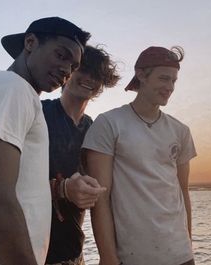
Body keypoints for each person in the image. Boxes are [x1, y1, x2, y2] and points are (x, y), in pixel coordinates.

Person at [82, 46, 197, 265]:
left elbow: (183, 192)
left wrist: (188, 247)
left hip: (180, 255)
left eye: (173, 81)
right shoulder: (109, 124)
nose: (170, 87)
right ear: (141, 75)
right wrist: (108, 258)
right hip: (133, 257)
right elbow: (101, 198)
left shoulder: (180, 131)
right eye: (164, 78)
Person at [0, 17, 90, 265]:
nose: (67, 71)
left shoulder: (10, 90)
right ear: (30, 42)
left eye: (73, 65)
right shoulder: (14, 88)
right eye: (60, 55)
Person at [42, 45, 120, 265]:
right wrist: (62, 188)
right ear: (68, 71)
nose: (89, 79)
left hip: (74, 253)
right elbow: (5, 182)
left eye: (97, 75)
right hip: (30, 251)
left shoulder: (94, 130)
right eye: (82, 70)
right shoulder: (38, 114)